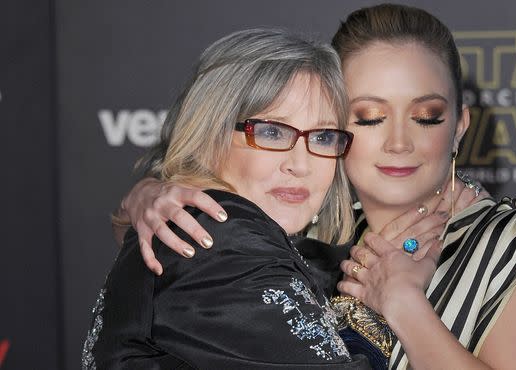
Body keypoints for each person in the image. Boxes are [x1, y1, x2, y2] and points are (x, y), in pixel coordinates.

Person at [113, 4, 516, 370]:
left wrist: (404, 304)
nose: (400, 142)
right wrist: (157, 194)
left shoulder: (505, 241)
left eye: (426, 116)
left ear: (460, 126)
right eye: (370, 117)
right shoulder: (314, 231)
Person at [82, 28, 372, 369]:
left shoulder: (244, 238)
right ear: (209, 133)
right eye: (271, 131)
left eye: (323, 136)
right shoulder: (222, 238)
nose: (300, 165)